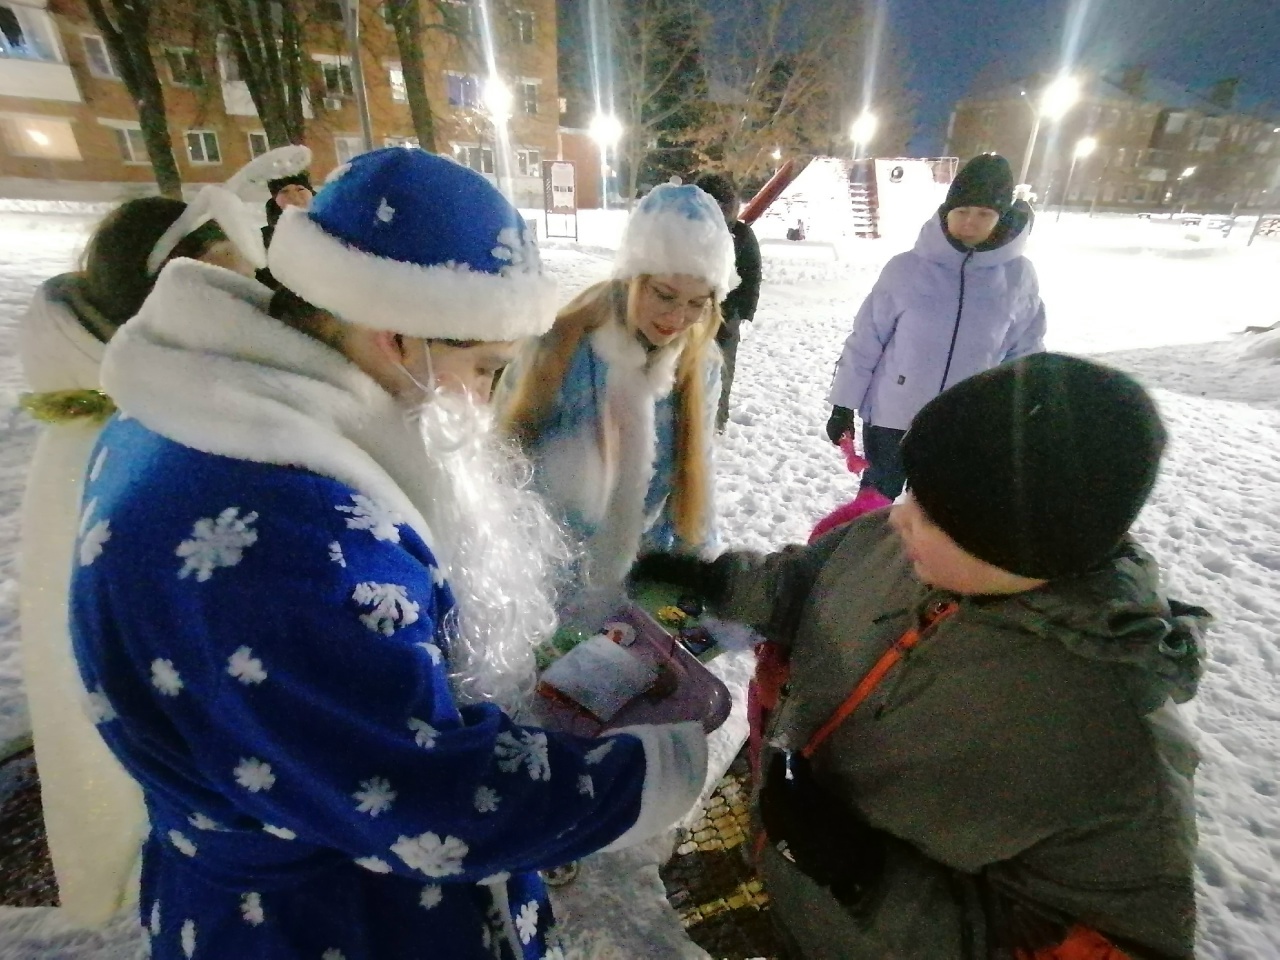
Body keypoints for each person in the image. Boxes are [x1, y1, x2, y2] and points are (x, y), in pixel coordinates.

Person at [69, 147, 708, 960]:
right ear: (396, 335)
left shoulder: (200, 414)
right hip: (327, 926)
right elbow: (425, 799)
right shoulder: (290, 532)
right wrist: (649, 769)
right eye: (484, 370)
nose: (485, 405)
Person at [638, 353, 1206, 960]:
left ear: (1012, 542)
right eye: (914, 491)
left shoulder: (1109, 746)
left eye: (933, 514)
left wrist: (865, 878)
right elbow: (806, 581)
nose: (899, 516)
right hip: (766, 833)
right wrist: (714, 583)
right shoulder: (898, 544)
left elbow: (1100, 947)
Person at [17, 196, 257, 926]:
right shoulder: (131, 426)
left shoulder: (138, 402)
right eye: (229, 282)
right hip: (179, 788)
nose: (252, 304)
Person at [496, 182, 737, 600]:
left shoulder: (700, 364)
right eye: (665, 295)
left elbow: (695, 477)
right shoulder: (560, 343)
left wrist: (693, 574)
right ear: (632, 278)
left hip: (637, 580)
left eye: (697, 303)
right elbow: (504, 458)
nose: (678, 318)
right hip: (549, 573)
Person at [826, 153, 1046, 499]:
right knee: (876, 503)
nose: (970, 222)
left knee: (934, 510)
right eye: (962, 211)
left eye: (984, 214)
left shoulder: (1019, 278)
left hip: (962, 423)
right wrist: (843, 404)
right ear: (946, 212)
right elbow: (866, 339)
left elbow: (1024, 354)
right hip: (892, 416)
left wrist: (1019, 414)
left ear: (1001, 217)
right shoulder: (906, 269)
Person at [693, 172, 762, 431]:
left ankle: (717, 421)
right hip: (689, 315)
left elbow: (752, 274)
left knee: (722, 369)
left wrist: (744, 313)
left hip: (725, 316)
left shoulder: (740, 234)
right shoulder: (687, 231)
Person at [258, 171, 314, 289]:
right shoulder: (266, 237)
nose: (293, 196)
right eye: (284, 191)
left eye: (300, 189)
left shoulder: (331, 222)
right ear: (275, 200)